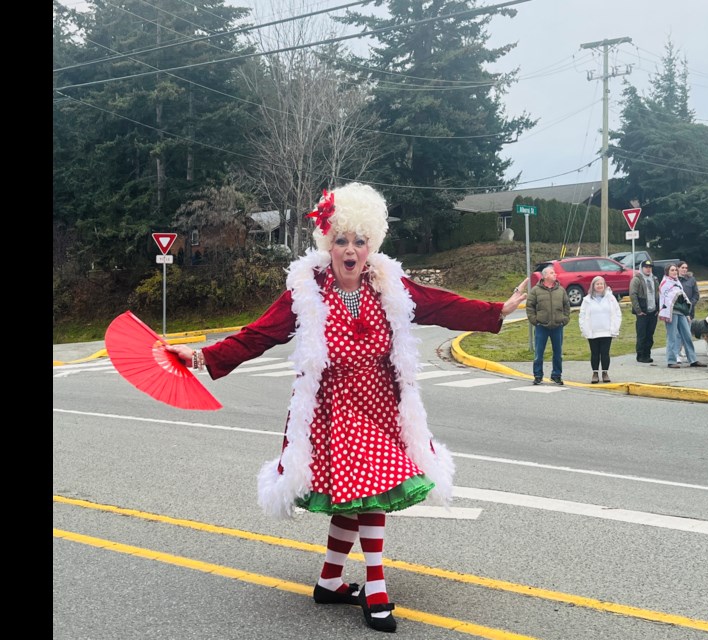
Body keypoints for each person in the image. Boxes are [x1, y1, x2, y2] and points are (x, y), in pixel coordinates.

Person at [166, 183, 526, 633]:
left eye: (360, 240)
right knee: (369, 485)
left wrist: (497, 311)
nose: (351, 250)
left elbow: (439, 306)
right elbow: (259, 334)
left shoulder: (387, 284)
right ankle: (375, 589)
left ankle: (330, 581)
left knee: (357, 493)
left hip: (381, 404)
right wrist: (201, 357)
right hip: (334, 409)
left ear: (371, 244)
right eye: (341, 240)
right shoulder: (306, 291)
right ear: (327, 244)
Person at [527, 264, 570, 385]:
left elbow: (567, 305)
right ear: (545, 276)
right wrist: (535, 320)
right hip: (542, 326)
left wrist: (564, 319)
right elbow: (529, 306)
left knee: (558, 353)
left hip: (557, 326)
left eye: (554, 273)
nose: (555, 274)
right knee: (539, 353)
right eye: (552, 273)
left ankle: (556, 375)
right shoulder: (535, 290)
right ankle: (538, 375)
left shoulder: (561, 290)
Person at [659, 263, 706, 369]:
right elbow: (666, 298)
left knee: (687, 334)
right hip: (671, 312)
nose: (675, 272)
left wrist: (686, 312)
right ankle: (671, 360)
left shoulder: (677, 282)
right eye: (672, 270)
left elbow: (682, 297)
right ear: (667, 272)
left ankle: (693, 359)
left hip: (682, 312)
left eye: (675, 270)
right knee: (672, 336)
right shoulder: (665, 283)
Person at [578, 275, 623, 383]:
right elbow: (582, 315)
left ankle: (605, 372)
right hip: (593, 331)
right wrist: (584, 329)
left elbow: (617, 313)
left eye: (601, 284)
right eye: (597, 284)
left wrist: (615, 327)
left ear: (604, 285)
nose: (599, 286)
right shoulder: (587, 300)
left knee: (605, 353)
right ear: (593, 286)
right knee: (594, 353)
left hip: (607, 330)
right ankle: (595, 373)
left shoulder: (610, 298)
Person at [629, 259, 659, 363]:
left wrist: (658, 308)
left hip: (653, 311)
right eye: (646, 267)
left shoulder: (654, 279)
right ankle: (640, 355)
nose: (648, 269)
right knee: (642, 335)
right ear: (642, 268)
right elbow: (633, 295)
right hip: (642, 312)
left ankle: (647, 354)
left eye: (650, 267)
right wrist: (638, 310)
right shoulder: (636, 279)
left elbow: (658, 294)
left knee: (650, 335)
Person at [677, 261, 700, 361]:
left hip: (689, 311)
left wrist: (691, 304)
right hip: (678, 310)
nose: (684, 270)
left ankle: (689, 355)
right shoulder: (674, 280)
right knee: (677, 333)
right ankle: (676, 353)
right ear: (678, 268)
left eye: (686, 268)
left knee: (687, 333)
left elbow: (696, 294)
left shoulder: (691, 280)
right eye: (682, 267)